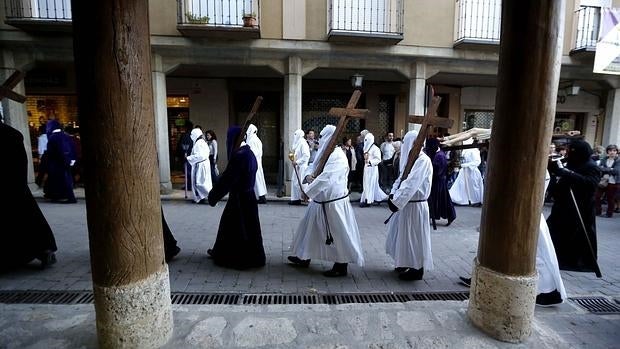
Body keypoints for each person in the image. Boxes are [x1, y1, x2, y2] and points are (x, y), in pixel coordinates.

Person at [460, 170, 567, 307]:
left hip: (526, 215)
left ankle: (548, 291)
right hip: (518, 214)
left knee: (536, 255)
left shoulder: (537, 169)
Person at [288, 125, 364, 277]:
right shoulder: (324, 153)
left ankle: (341, 264)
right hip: (319, 201)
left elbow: (327, 178)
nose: (319, 139)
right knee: (309, 230)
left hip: (333, 203)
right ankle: (304, 256)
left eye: (322, 136)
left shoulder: (337, 156)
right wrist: (308, 176)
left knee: (338, 233)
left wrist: (307, 192)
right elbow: (313, 166)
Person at [0, 121, 57, 271]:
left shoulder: (11, 135)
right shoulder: (12, 134)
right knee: (27, 220)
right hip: (14, 187)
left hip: (11, 186)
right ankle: (42, 250)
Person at [207, 126, 265, 269]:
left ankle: (239, 258)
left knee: (237, 229)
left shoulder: (239, 155)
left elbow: (228, 179)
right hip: (249, 197)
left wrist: (213, 196)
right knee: (249, 228)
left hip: (239, 199)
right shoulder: (249, 153)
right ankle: (222, 251)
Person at [385, 130, 433, 281]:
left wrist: (397, 201)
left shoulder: (423, 160)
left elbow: (411, 184)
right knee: (402, 236)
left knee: (414, 237)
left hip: (415, 206)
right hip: (405, 205)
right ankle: (404, 261)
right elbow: (401, 178)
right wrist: (393, 194)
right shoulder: (412, 159)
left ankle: (416, 268)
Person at [547, 140, 600, 274]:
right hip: (563, 205)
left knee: (578, 236)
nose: (569, 153)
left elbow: (590, 184)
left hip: (581, 208)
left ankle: (578, 262)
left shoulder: (591, 166)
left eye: (572, 151)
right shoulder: (570, 162)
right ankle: (555, 259)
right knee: (555, 232)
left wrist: (568, 173)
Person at [424, 138, 456, 226]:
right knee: (441, 200)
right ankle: (432, 216)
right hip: (439, 181)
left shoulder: (439, 156)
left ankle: (450, 216)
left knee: (439, 200)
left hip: (438, 182)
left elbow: (436, 170)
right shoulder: (439, 154)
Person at [44, 120, 77, 203]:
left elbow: (51, 152)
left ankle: (61, 197)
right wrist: (72, 160)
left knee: (58, 180)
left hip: (57, 163)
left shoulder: (52, 138)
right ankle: (67, 197)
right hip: (67, 161)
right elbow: (72, 148)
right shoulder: (66, 136)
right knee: (67, 180)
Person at [448, 138, 484, 206]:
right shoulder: (465, 150)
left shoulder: (474, 150)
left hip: (472, 171)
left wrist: (466, 165)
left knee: (474, 186)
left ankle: (476, 200)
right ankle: (457, 199)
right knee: (460, 185)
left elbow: (477, 161)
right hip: (464, 171)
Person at [360, 132, 388, 207]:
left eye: (367, 140)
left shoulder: (376, 149)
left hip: (372, 169)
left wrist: (370, 161)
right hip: (366, 169)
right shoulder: (366, 148)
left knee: (370, 185)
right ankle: (373, 198)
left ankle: (368, 201)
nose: (365, 142)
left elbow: (378, 159)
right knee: (367, 185)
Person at [186, 128, 212, 204]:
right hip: (202, 165)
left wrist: (188, 158)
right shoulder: (201, 142)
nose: (191, 136)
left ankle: (205, 197)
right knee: (202, 182)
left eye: (192, 134)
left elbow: (199, 156)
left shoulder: (199, 143)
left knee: (199, 183)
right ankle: (201, 197)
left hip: (200, 165)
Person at [595, 144, 619, 218]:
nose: (612, 152)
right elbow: (598, 168)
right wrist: (609, 169)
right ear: (607, 152)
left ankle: (609, 213)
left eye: (614, 151)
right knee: (597, 196)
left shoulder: (618, 160)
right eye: (610, 150)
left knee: (610, 198)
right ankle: (598, 211)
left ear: (616, 152)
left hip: (613, 182)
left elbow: (616, 171)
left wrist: (605, 169)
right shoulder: (604, 159)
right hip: (603, 181)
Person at [246, 124, 268, 204]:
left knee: (257, 180)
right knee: (258, 180)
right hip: (256, 162)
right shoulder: (256, 139)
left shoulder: (252, 140)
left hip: (254, 162)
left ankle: (261, 197)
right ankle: (259, 196)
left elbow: (253, 152)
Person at [290, 129, 310, 205]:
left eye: (296, 134)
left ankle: (306, 198)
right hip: (297, 166)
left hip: (302, 167)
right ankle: (295, 199)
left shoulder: (303, 143)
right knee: (295, 183)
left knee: (302, 183)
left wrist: (297, 162)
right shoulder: (298, 143)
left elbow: (306, 156)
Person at [178, 120, 194, 192]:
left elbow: (182, 146)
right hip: (193, 156)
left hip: (187, 156)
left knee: (188, 171)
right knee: (190, 172)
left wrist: (184, 153)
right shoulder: (193, 136)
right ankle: (189, 185)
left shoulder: (185, 135)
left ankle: (189, 186)